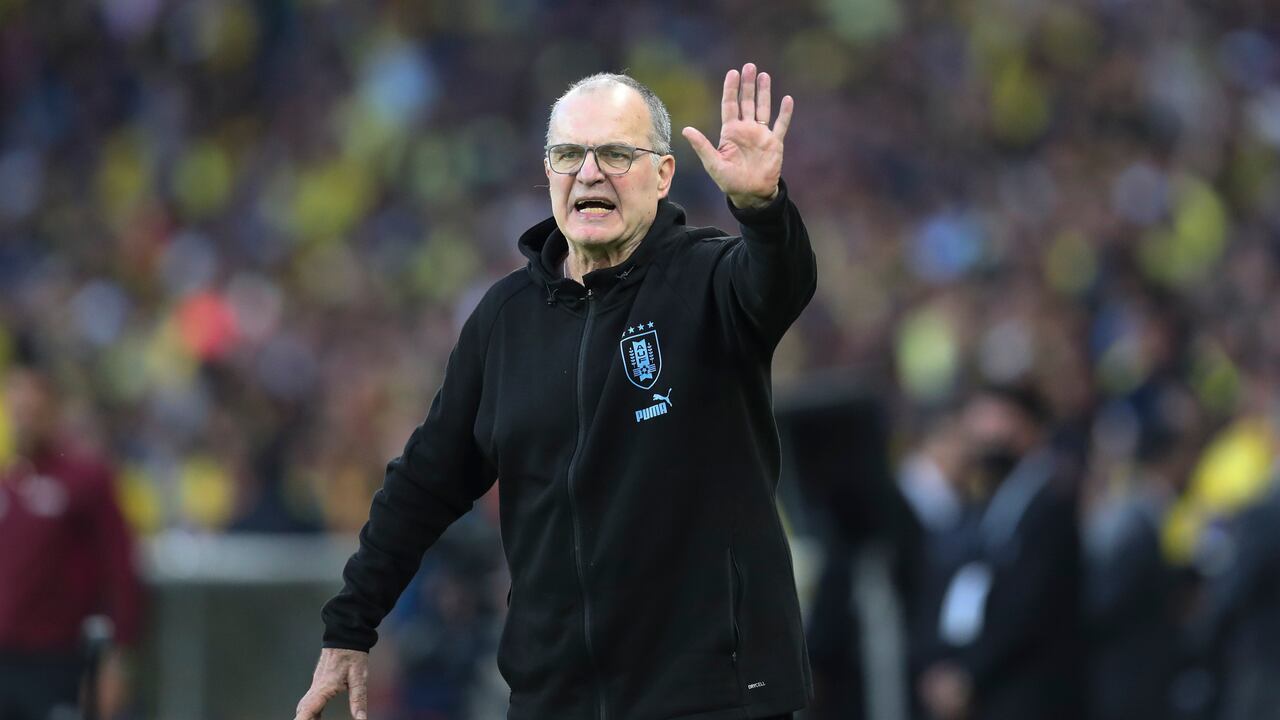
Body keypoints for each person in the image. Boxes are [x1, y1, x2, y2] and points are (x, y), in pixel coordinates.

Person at [294, 63, 815, 720]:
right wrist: (350, 624)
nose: (589, 172)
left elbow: (781, 285)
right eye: (569, 154)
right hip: (554, 703)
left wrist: (762, 211)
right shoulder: (504, 320)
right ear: (547, 173)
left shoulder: (711, 280)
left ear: (661, 175)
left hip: (711, 702)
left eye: (616, 154)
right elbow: (425, 482)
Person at [915, 385, 1082, 720]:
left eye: (994, 417)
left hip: (1028, 689)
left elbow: (1029, 604)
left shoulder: (1049, 502)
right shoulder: (983, 504)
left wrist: (970, 674)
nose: (981, 432)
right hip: (980, 688)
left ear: (1029, 425)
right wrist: (940, 665)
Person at [0, 363, 142, 720]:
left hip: (57, 658)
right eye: (19, 409)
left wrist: (116, 659)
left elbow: (121, 566)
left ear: (53, 409)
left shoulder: (85, 478)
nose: (25, 418)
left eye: (34, 408)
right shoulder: (8, 481)